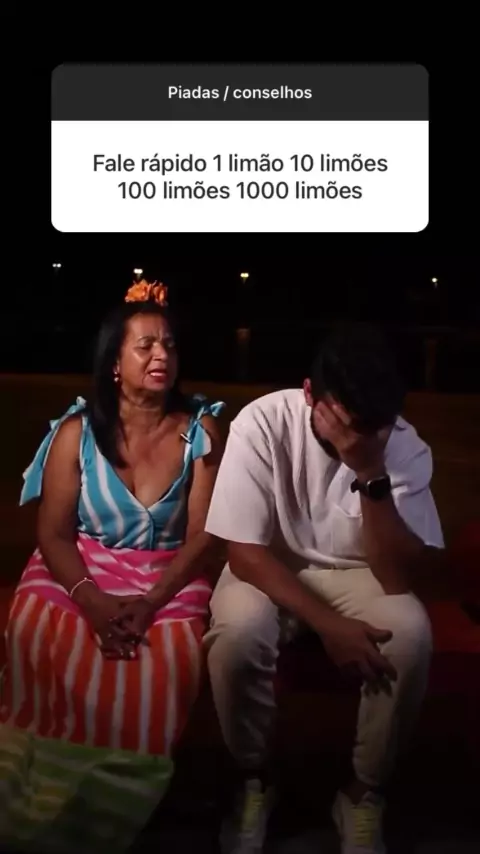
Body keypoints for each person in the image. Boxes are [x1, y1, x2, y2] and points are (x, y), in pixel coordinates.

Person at [0, 281, 225, 852]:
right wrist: (92, 600)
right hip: (80, 569)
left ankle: (111, 805)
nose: (161, 355)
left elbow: (204, 538)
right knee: (41, 631)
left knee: (165, 656)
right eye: (145, 345)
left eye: (169, 345)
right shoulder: (75, 433)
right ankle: (36, 793)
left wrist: (149, 603)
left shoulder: (200, 432)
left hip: (169, 577)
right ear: (115, 364)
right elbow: (53, 533)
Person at [203, 322, 444, 854]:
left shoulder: (398, 442)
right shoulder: (264, 422)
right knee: (238, 633)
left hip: (358, 571)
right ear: (311, 393)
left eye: (375, 425)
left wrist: (371, 471)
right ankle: (253, 780)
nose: (361, 434)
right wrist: (329, 625)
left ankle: (362, 793)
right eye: (349, 422)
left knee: (410, 633)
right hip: (269, 565)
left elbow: (396, 578)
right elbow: (243, 553)